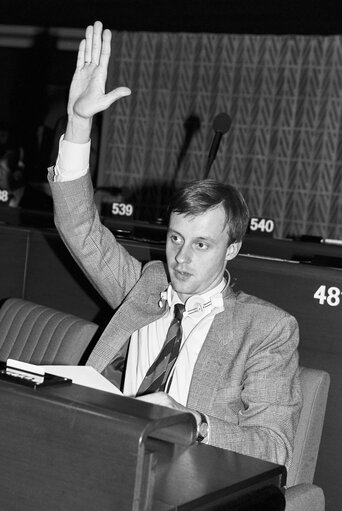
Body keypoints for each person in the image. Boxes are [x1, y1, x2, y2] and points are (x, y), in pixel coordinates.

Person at [48, 21, 302, 469]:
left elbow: (275, 446)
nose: (181, 258)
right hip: (108, 452)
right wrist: (79, 121)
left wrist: (195, 423)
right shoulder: (145, 284)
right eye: (175, 238)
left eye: (202, 244)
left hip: (189, 472)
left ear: (233, 249)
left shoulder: (266, 328)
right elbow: (79, 228)